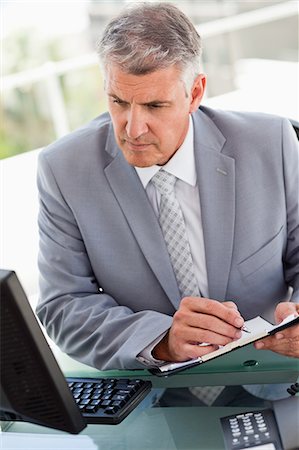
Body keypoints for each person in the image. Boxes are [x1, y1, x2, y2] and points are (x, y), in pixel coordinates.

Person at [36, 2, 299, 393]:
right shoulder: (63, 169)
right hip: (149, 392)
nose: (133, 128)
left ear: (195, 93)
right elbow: (62, 305)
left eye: (155, 106)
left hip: (272, 378)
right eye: (119, 102)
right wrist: (161, 340)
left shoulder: (272, 143)